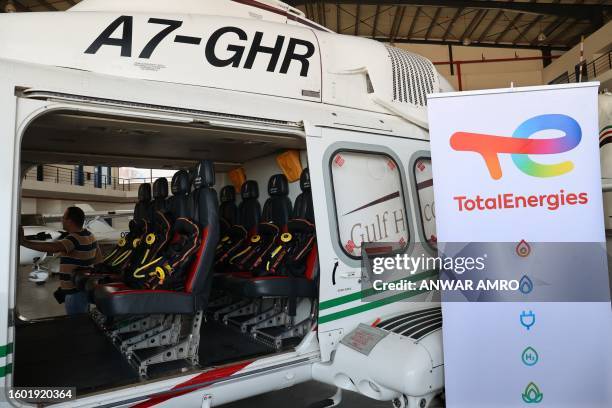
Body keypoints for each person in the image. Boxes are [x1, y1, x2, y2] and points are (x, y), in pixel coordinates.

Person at [20, 206, 102, 315]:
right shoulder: (90, 236)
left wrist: (25, 242)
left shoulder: (73, 238)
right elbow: (98, 259)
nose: (61, 220)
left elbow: (54, 247)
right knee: (83, 319)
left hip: (74, 294)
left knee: (76, 324)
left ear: (70, 221)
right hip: (83, 289)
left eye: (63, 217)